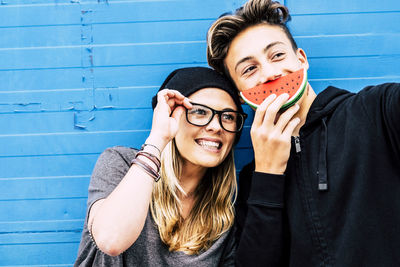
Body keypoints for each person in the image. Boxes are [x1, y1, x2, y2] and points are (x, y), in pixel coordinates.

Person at [206, 0, 400, 266]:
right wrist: (268, 174)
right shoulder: (253, 180)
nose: (271, 73)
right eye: (250, 69)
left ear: (302, 60)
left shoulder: (376, 111)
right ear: (241, 97)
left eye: (277, 55)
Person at [74, 67, 248, 266]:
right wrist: (158, 138)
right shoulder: (121, 164)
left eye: (228, 116)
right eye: (199, 111)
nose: (216, 126)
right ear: (170, 116)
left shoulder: (222, 216)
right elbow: (111, 240)